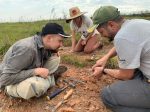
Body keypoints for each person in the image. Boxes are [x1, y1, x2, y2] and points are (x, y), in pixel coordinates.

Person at [91, 6, 150, 112]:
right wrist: (106, 57)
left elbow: (126, 75)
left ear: (111, 25)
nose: (102, 35)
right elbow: (124, 41)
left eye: (101, 31)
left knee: (108, 95)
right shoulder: (135, 23)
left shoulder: (122, 37)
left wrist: (104, 70)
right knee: (134, 69)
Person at [0, 23, 70, 99]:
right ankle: (50, 79)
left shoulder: (43, 44)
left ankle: (48, 78)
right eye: (60, 41)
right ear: (49, 38)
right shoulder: (27, 49)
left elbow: (41, 58)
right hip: (9, 82)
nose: (61, 44)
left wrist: (53, 52)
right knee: (38, 86)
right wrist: (35, 72)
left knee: (55, 59)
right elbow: (5, 78)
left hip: (25, 71)